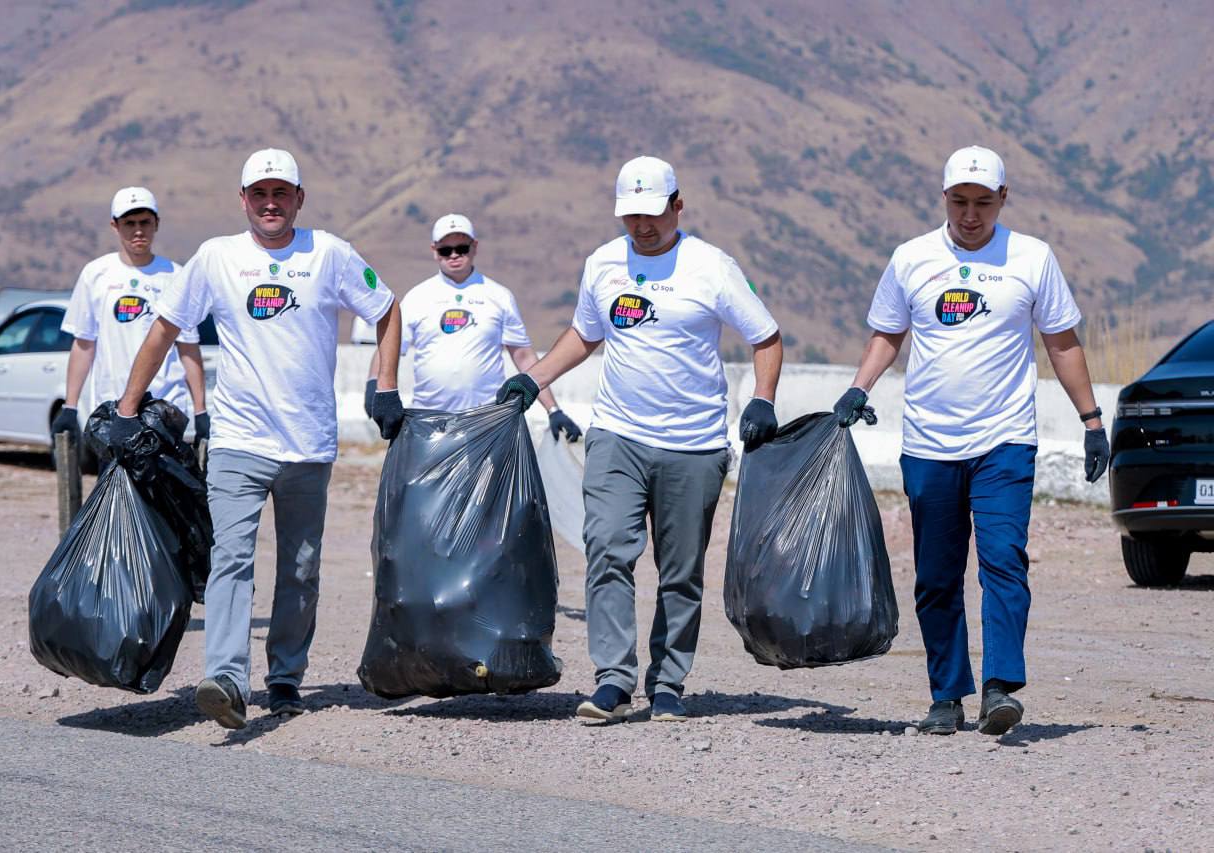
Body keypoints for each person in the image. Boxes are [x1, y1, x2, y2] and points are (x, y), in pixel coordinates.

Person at [110, 149, 404, 729]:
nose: (271, 204)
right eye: (260, 194)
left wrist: (386, 383)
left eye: (281, 193)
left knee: (301, 568)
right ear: (243, 200)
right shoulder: (216, 258)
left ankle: (286, 675)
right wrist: (126, 408)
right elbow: (165, 327)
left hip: (307, 445)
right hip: (239, 441)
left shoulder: (329, 253)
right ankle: (225, 678)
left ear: (299, 199)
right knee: (230, 559)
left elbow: (388, 309)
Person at [833, 145, 1109, 736]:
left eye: (983, 202)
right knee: (936, 576)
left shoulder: (1032, 257)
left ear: (1003, 198)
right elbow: (888, 334)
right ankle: (947, 695)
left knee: (1004, 560)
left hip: (1004, 441)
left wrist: (1091, 421)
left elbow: (1062, 342)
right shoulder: (911, 258)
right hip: (929, 445)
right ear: (943, 197)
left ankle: (1001, 687)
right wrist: (858, 388)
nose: (970, 214)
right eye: (959, 201)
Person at [497, 155, 783, 723]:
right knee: (606, 549)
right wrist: (534, 378)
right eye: (631, 215)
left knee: (680, 571)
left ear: (678, 205)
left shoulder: (712, 266)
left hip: (694, 444)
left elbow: (767, 337)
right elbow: (585, 334)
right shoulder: (603, 263)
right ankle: (613, 680)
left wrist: (763, 399)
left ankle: (669, 681)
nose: (642, 226)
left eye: (652, 213)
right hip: (618, 435)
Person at [364, 213, 581, 440]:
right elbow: (388, 347)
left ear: (474, 246)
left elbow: (524, 357)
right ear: (434, 251)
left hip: (486, 420)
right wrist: (374, 385)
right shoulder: (417, 298)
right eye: (445, 250)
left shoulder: (499, 296)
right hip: (428, 421)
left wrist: (553, 410)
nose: (454, 255)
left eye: (462, 248)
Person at [51, 187, 207, 444]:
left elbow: (188, 347)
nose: (138, 231)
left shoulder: (176, 275)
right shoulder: (96, 274)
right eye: (129, 223)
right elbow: (84, 344)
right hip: (111, 407)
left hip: (165, 407)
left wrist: (201, 411)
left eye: (145, 222)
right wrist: (70, 406)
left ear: (156, 223)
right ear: (115, 226)